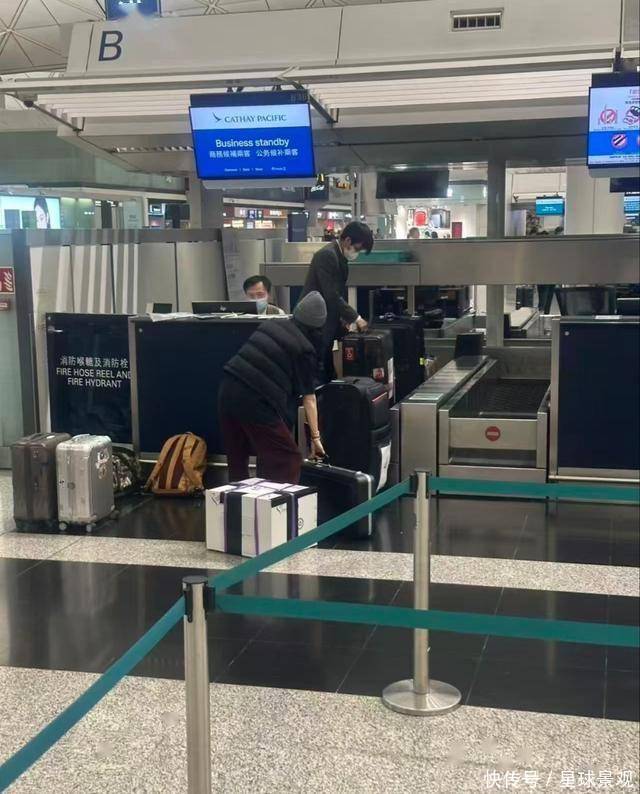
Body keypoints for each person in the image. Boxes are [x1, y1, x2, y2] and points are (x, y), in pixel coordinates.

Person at [218, 291, 327, 484]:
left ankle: (237, 502)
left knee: (238, 461)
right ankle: (280, 503)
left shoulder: (271, 324)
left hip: (227, 390)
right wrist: (316, 438)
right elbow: (309, 399)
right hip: (255, 401)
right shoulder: (304, 349)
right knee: (288, 459)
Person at [301, 221, 374, 382]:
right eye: (357, 249)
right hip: (314, 322)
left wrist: (343, 318)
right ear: (347, 240)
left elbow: (337, 292)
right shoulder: (327, 256)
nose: (357, 253)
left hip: (327, 320)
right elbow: (331, 294)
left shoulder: (339, 256)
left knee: (327, 368)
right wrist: (356, 318)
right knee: (317, 369)